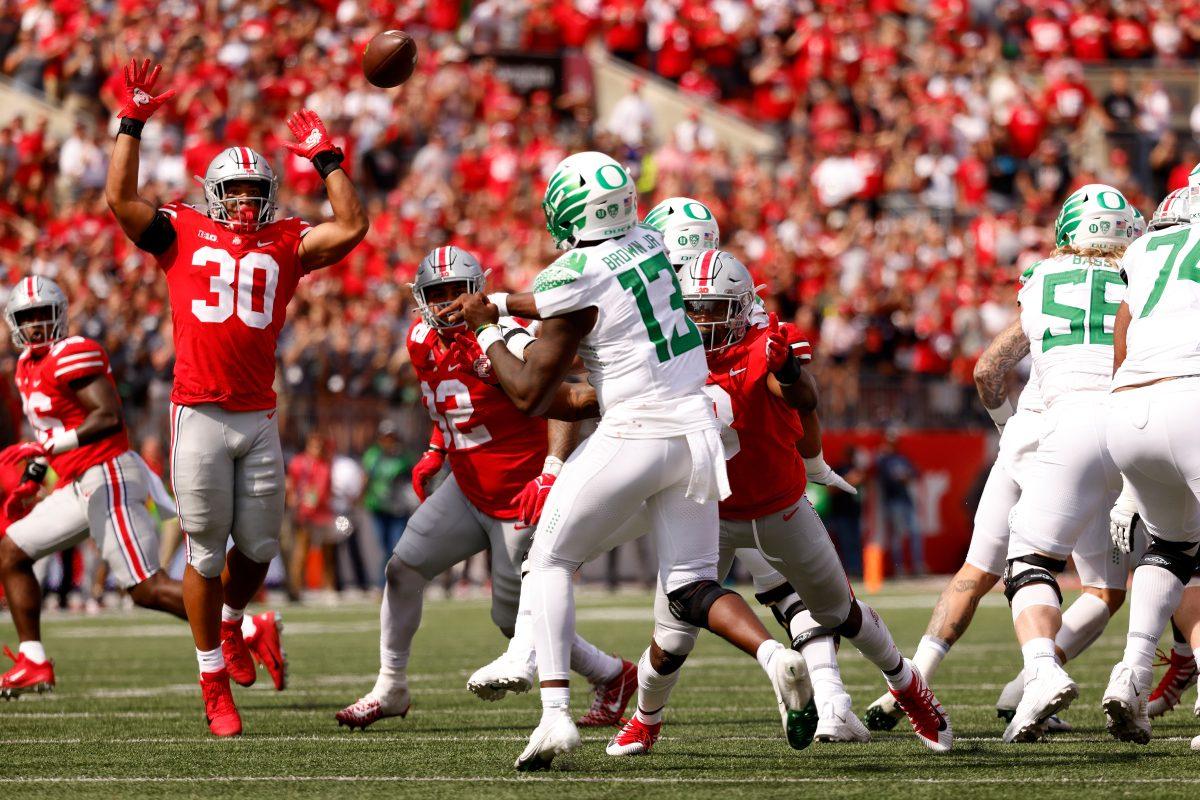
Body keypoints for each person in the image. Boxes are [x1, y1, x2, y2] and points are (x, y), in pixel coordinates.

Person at [448, 152, 813, 771]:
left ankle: (556, 715)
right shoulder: (647, 242)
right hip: (696, 431)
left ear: (569, 210)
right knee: (691, 585)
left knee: (548, 559)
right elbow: (563, 292)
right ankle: (776, 657)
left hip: (636, 430)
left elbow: (534, 393)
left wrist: (487, 331)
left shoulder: (576, 270)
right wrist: (506, 303)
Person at [105, 58, 368, 736]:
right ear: (215, 192)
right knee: (203, 552)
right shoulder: (182, 229)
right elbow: (119, 200)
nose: (249, 201)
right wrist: (131, 120)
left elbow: (353, 226)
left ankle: (232, 623)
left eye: (258, 190)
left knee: (259, 547)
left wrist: (327, 158)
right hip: (197, 409)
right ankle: (213, 677)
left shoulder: (286, 240)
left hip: (257, 413)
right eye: (238, 190)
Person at [605, 251, 952, 756]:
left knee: (841, 613)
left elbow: (802, 398)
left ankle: (910, 687)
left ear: (743, 307)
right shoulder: (667, 353)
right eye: (695, 308)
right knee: (672, 636)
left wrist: (788, 369)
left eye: (716, 307)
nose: (703, 319)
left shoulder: (763, 346)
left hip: (779, 506)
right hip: (708, 510)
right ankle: (645, 720)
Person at [335, 246, 632, 731]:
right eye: (439, 293)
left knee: (515, 623)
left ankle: (612, 674)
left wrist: (552, 470)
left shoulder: (507, 337)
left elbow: (564, 397)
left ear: (481, 291)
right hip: (468, 486)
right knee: (402, 569)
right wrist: (437, 447)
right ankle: (391, 686)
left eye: (459, 291)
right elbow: (452, 400)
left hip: (520, 495)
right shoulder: (418, 337)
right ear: (421, 299)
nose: (449, 302)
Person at [0, 277, 282, 698]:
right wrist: (33, 478)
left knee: (145, 589)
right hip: (78, 484)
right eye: (28, 317)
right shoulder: (25, 367)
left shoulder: (71, 354)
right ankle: (34, 660)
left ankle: (246, 627)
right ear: (13, 323)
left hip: (107, 474)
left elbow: (108, 417)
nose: (37, 325)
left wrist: (49, 447)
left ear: (59, 316)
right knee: (11, 552)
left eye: (43, 315)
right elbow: (51, 427)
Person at [998, 184, 1136, 743]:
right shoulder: (1144, 270)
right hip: (1139, 419)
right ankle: (1129, 679)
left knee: (1028, 561)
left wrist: (1010, 431)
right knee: (1147, 572)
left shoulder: (1040, 278)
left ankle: (1041, 669)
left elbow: (990, 369)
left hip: (1068, 427)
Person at [1102, 177, 1200, 746]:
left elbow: (1124, 333)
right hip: (1191, 393)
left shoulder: (1143, 249)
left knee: (1172, 546)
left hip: (1129, 403)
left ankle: (1132, 673)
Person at [286, 432, 336, 600]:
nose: (317, 449)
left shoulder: (325, 465)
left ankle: (329, 588)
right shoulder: (298, 463)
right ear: (308, 446)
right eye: (314, 445)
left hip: (323, 515)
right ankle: (295, 590)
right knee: (301, 552)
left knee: (328, 552)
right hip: (304, 515)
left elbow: (326, 491)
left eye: (320, 446)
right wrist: (293, 497)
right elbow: (290, 484)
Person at [361, 420, 412, 570]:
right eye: (385, 437)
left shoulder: (403, 457)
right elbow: (365, 478)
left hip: (399, 509)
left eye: (391, 437)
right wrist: (360, 498)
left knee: (397, 544)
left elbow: (411, 479)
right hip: (378, 507)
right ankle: (384, 581)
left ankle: (394, 580)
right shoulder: (373, 455)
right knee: (384, 546)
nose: (388, 441)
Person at [874, 432, 923, 576]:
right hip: (893, 501)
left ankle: (917, 566)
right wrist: (902, 477)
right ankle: (899, 568)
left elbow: (915, 473)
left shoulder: (902, 458)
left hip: (906, 500)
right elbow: (887, 479)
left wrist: (905, 476)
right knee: (897, 536)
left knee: (915, 533)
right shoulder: (883, 460)